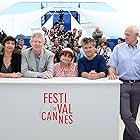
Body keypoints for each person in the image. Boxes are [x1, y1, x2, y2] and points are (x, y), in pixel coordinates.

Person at [108, 25, 140, 140]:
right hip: (123, 84)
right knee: (126, 115)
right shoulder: (118, 48)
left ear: (136, 35)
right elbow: (112, 65)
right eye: (125, 34)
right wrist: (111, 73)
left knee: (133, 116)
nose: (125, 36)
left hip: (138, 85)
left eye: (128, 34)